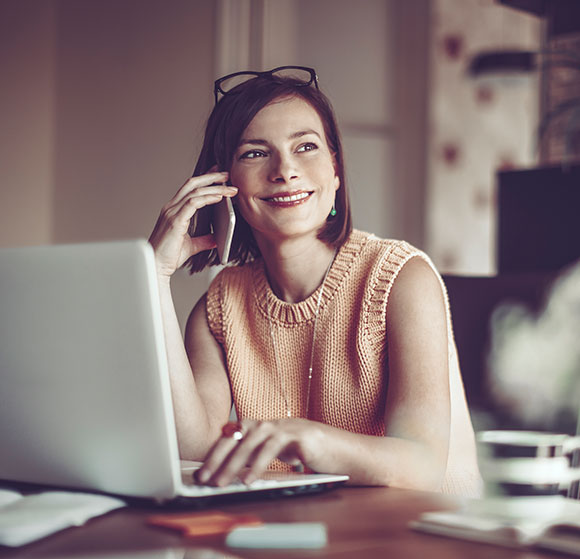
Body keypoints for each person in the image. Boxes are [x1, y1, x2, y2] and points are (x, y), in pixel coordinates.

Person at [148, 66, 482, 497]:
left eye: (306, 146)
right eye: (254, 152)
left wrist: (311, 438)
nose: (285, 170)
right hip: (289, 538)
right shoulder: (221, 304)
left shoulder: (402, 278)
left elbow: (422, 468)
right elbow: (193, 453)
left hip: (408, 541)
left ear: (335, 168)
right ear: (222, 182)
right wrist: (155, 274)